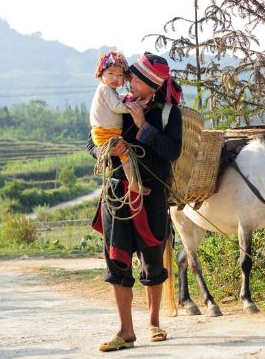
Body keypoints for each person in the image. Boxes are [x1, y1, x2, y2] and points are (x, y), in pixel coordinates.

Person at [87, 52, 183, 352]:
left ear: (152, 85)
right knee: (117, 261)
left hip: (151, 196)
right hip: (117, 194)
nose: (129, 80)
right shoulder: (117, 102)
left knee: (153, 260)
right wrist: (107, 151)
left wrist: (142, 124)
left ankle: (154, 322)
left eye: (136, 78)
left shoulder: (168, 113)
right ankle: (125, 331)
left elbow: (172, 151)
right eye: (129, 76)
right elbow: (91, 142)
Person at [89, 51, 144, 200]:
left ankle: (133, 183)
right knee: (125, 155)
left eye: (120, 75)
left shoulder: (108, 90)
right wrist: (135, 106)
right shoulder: (106, 89)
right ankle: (133, 184)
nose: (115, 78)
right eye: (111, 73)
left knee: (124, 155)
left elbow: (116, 100)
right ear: (101, 73)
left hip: (105, 132)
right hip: (106, 133)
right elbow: (117, 107)